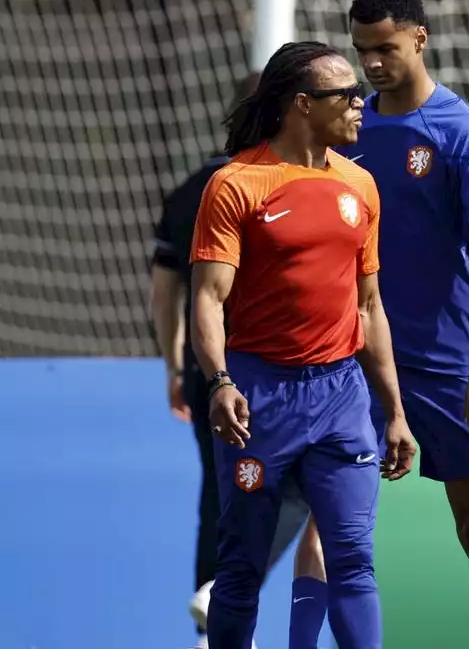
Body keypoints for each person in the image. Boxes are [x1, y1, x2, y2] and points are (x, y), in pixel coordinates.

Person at [189, 40, 417, 649]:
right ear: (301, 105)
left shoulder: (361, 186)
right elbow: (208, 299)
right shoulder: (236, 185)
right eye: (344, 95)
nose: (359, 103)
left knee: (354, 561)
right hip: (258, 397)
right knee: (238, 572)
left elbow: (369, 307)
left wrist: (393, 411)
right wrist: (219, 381)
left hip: (341, 395)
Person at [337, 0, 469, 649]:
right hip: (354, 357)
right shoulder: (348, 129)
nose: (373, 64)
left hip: (449, 363)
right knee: (330, 525)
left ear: (420, 39)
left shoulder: (459, 132)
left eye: (385, 48)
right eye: (363, 51)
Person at [148, 71, 322, 649]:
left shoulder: (190, 189)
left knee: (220, 495)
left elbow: (165, 289)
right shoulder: (289, 186)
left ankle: (213, 626)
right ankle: (223, 591)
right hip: (275, 368)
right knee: (301, 486)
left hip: (207, 370)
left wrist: (176, 365)